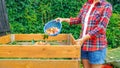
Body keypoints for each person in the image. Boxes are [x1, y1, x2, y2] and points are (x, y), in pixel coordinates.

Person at [56, 0, 112, 68]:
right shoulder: (87, 4)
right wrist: (63, 19)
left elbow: (101, 27)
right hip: (84, 45)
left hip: (97, 46)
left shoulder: (106, 6)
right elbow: (78, 19)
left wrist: (84, 38)